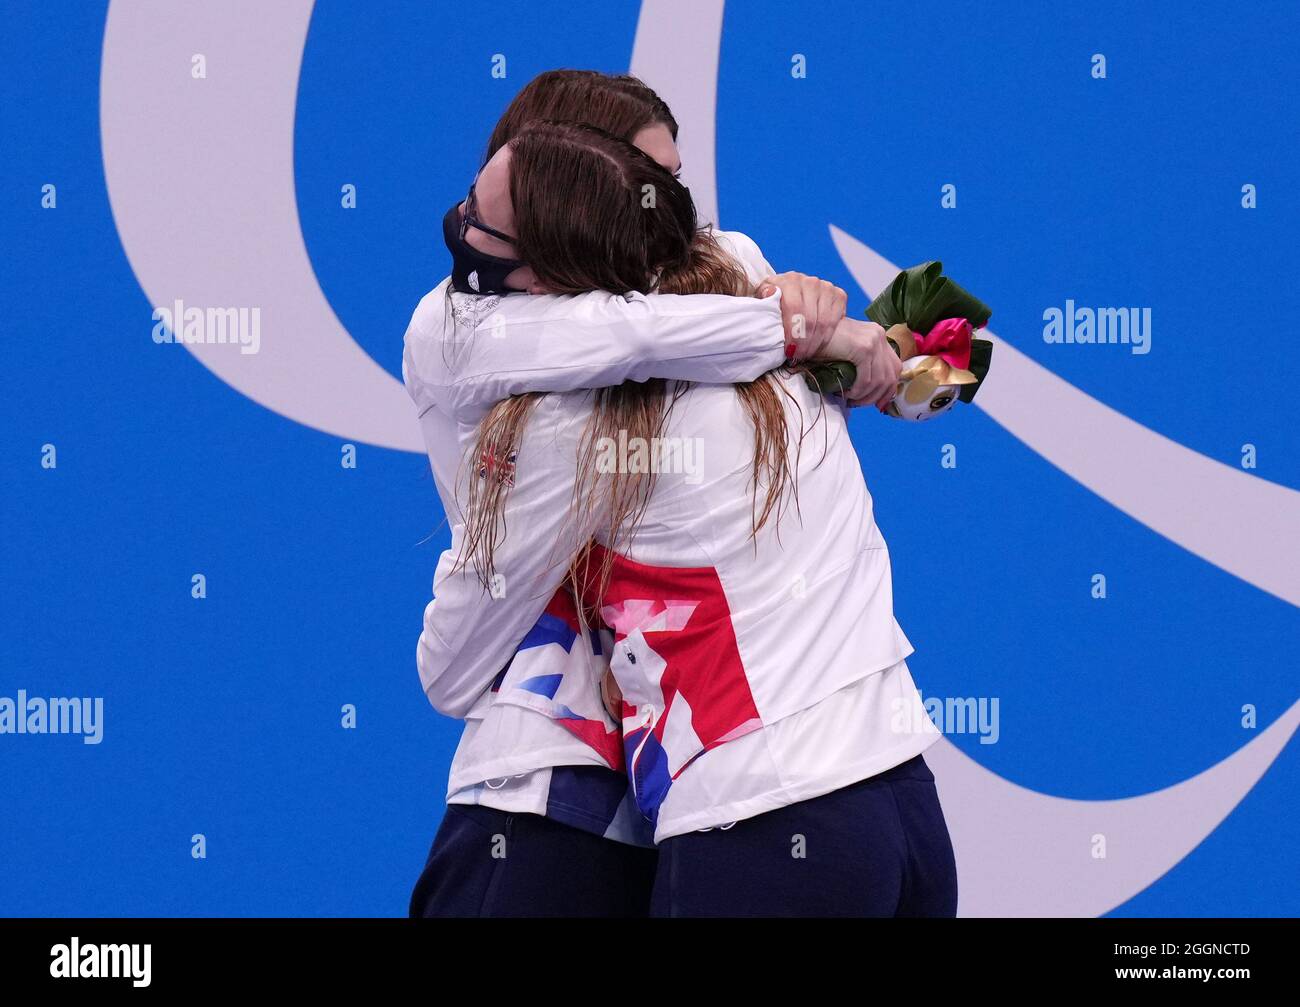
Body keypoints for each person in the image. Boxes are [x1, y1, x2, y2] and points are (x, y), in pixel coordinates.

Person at [417, 118, 958, 917]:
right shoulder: (777, 324)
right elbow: (945, 352)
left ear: (545, 280)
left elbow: (448, 668)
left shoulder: (568, 426)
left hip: (746, 829)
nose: (464, 232)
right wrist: (842, 335)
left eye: (484, 225)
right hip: (904, 814)